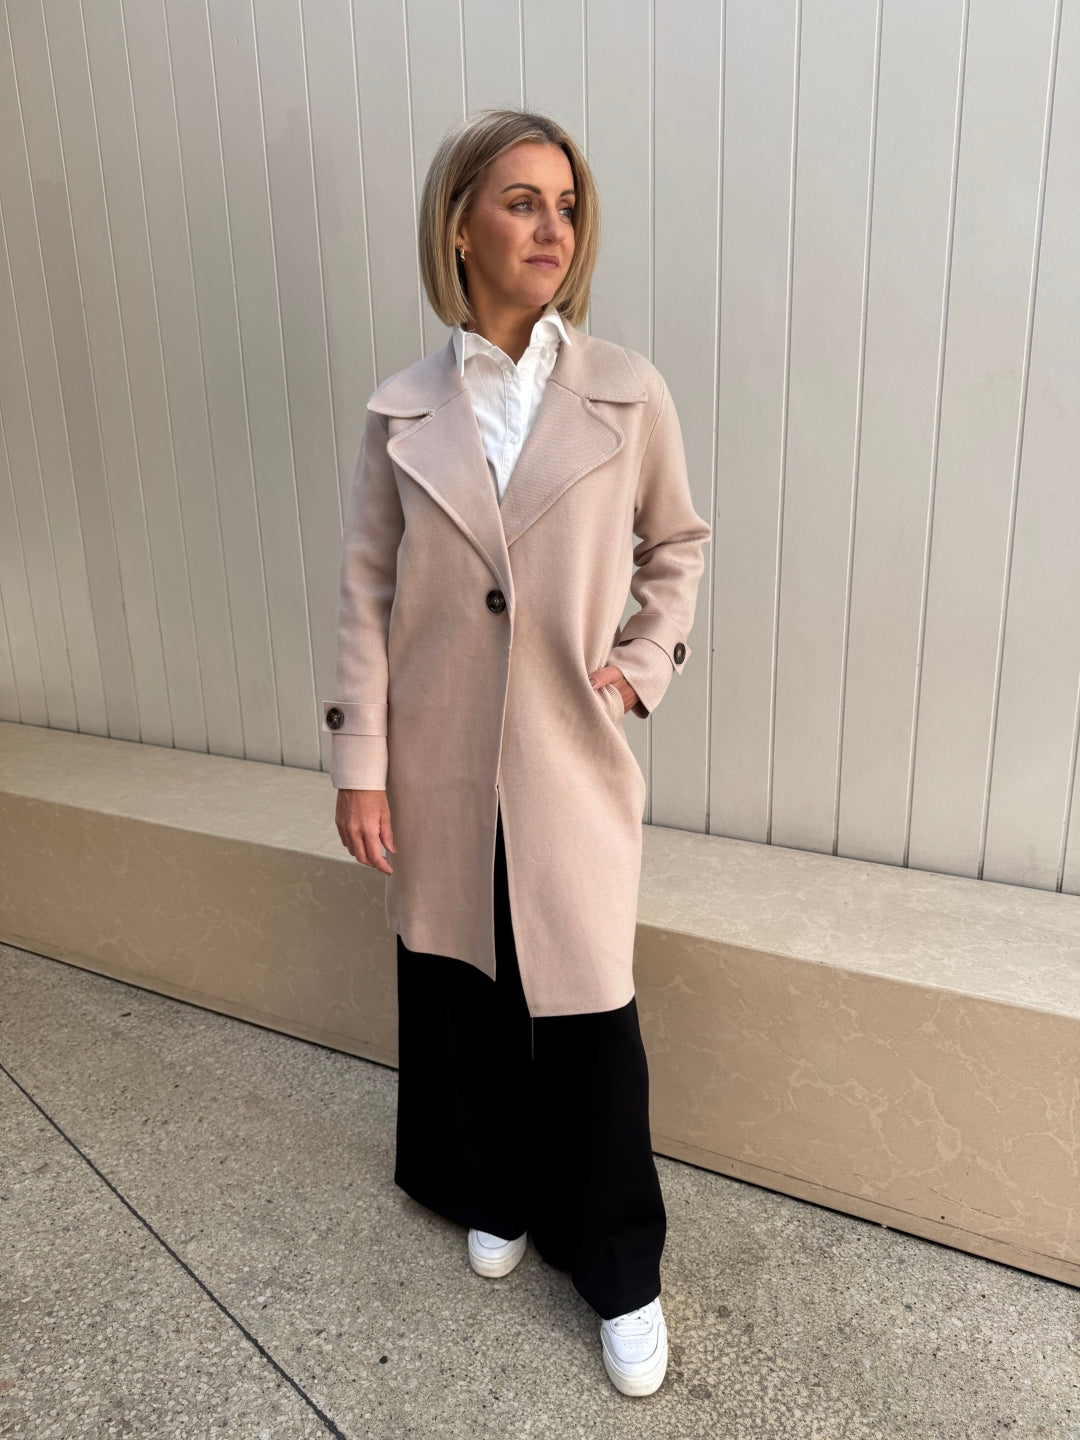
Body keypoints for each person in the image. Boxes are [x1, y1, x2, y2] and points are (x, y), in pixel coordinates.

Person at [322, 108, 711, 1397]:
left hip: (567, 751)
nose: (554, 228)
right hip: (435, 756)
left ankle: (620, 1265)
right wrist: (360, 765)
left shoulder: (626, 391)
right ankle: (489, 1188)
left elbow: (678, 545)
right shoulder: (402, 410)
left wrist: (639, 668)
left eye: (567, 205)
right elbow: (368, 593)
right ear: (459, 226)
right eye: (522, 201)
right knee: (459, 983)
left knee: (589, 1007)